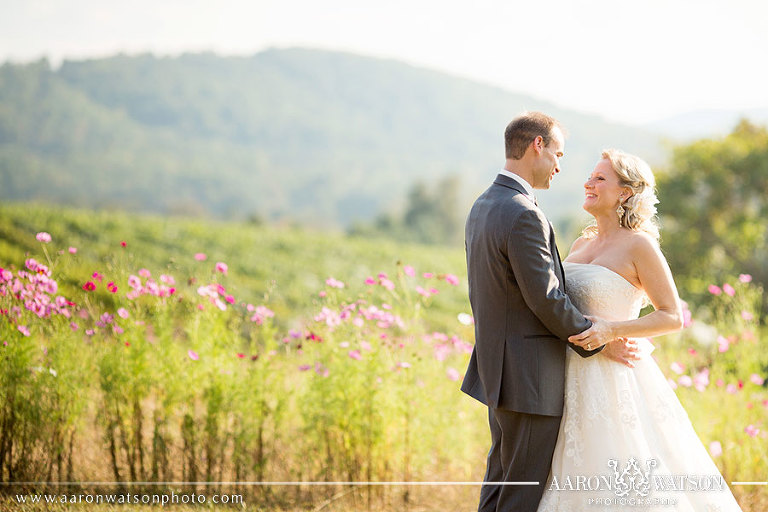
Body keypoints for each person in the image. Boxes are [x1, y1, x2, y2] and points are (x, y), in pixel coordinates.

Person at [536, 149, 743, 511]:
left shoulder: (640, 245)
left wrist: (612, 332)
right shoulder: (579, 245)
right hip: (570, 376)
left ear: (626, 193)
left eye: (600, 178)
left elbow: (671, 315)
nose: (589, 182)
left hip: (617, 379)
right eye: (591, 175)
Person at [460, 112, 636, 512]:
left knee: (501, 484)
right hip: (530, 378)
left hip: (498, 371)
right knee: (521, 495)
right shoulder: (524, 212)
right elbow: (546, 298)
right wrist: (598, 340)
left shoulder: (484, 204)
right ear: (537, 146)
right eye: (558, 154)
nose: (560, 165)